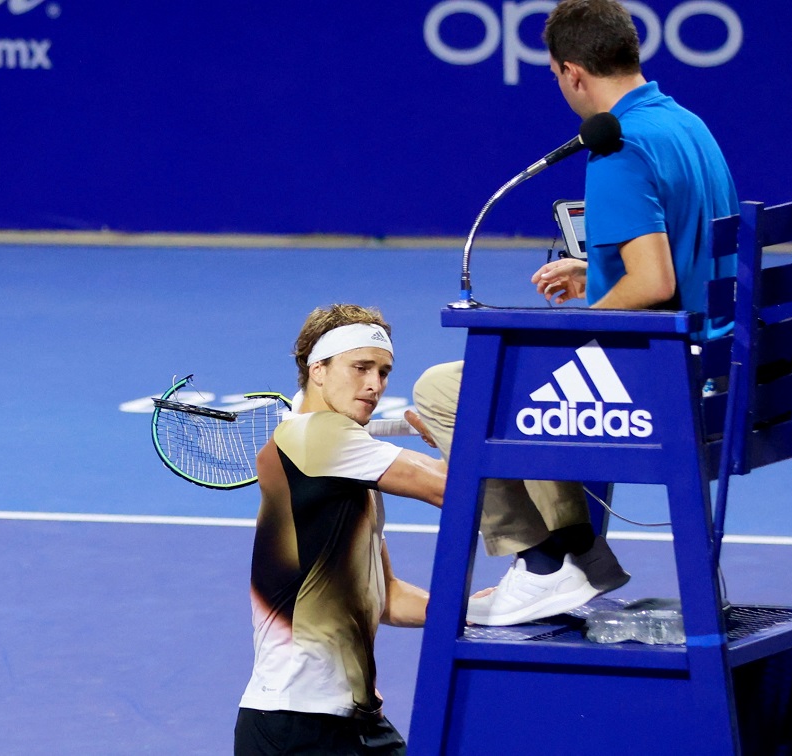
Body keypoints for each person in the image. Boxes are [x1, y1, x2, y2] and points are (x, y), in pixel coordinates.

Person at [413, 0, 738, 627]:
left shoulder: (617, 145)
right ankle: (578, 557)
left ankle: (544, 562)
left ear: (571, 73)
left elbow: (652, 282)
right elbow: (685, 258)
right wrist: (596, 274)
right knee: (533, 371)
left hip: (667, 388)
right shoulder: (688, 126)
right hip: (723, 371)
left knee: (450, 390)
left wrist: (568, 328)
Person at [234, 304, 446, 756]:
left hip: (358, 723)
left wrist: (468, 611)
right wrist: (455, 432)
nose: (375, 385)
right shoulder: (317, 436)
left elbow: (383, 595)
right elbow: (450, 489)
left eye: (384, 371)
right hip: (296, 726)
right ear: (319, 370)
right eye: (361, 367)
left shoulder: (341, 462)